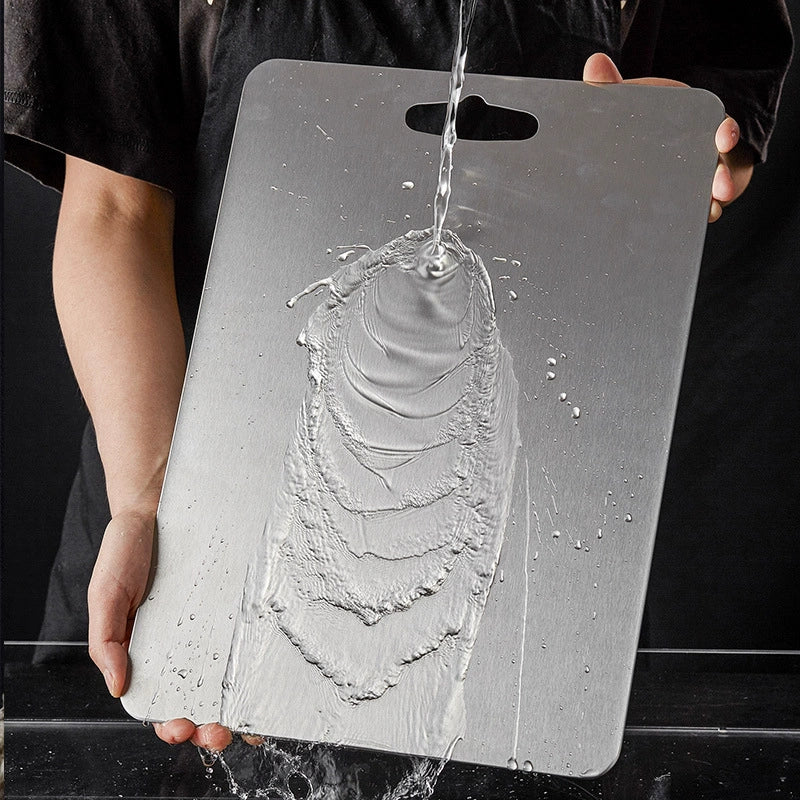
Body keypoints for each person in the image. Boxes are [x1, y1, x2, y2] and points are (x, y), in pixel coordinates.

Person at [4, 0, 793, 753]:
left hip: (536, 511)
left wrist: (676, 148)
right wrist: (157, 506)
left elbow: (717, 75)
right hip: (183, 466)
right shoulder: (173, 502)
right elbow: (113, 208)